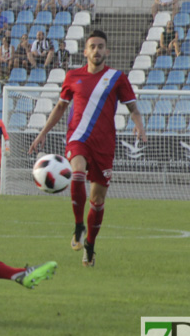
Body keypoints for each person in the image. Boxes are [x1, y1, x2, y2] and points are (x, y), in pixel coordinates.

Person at [29, 30, 147, 268]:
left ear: (107, 51)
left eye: (101, 46)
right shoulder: (73, 76)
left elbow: (133, 108)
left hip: (104, 144)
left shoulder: (116, 77)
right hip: (77, 138)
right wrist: (43, 132)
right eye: (92, 46)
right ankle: (78, 226)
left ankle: (90, 246)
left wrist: (139, 126)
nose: (96, 50)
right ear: (85, 51)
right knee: (77, 172)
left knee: (98, 199)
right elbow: (61, 108)